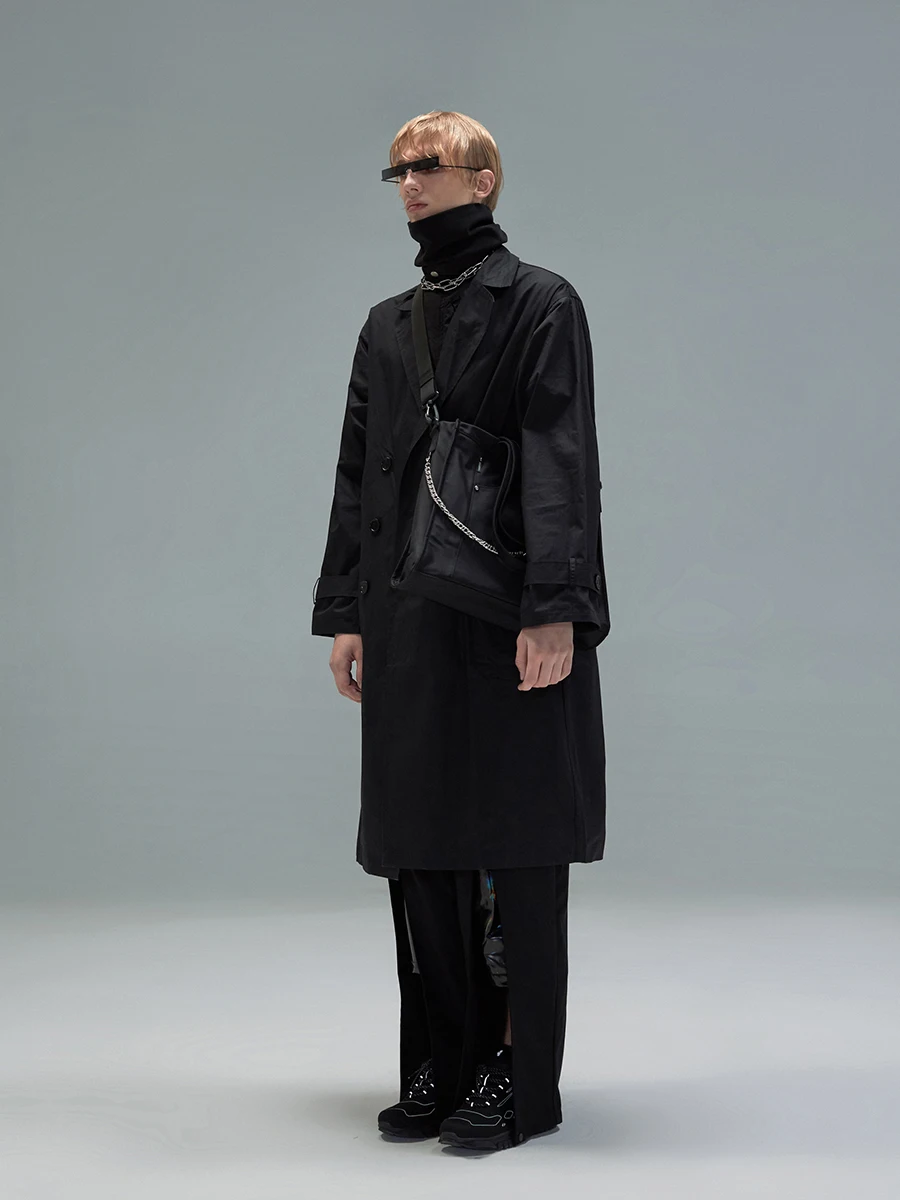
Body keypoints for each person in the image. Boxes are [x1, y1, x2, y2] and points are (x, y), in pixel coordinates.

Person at [311, 111, 610, 1152]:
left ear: (483, 179)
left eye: (428, 165)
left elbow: (561, 460)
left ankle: (515, 1075)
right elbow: (360, 477)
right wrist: (346, 615)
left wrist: (556, 609)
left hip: (506, 612)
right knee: (422, 842)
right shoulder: (385, 324)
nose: (409, 182)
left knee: (514, 841)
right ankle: (445, 1055)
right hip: (405, 622)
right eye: (397, 168)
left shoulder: (541, 303)